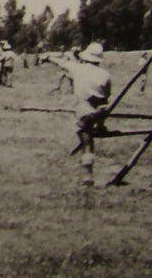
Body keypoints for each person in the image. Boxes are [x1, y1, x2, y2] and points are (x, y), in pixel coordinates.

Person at [42, 42, 113, 186]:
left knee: (87, 143)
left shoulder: (78, 69)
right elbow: (106, 95)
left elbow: (61, 63)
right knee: (101, 107)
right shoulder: (105, 75)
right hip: (100, 112)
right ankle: (100, 126)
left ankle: (88, 176)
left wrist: (47, 57)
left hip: (85, 111)